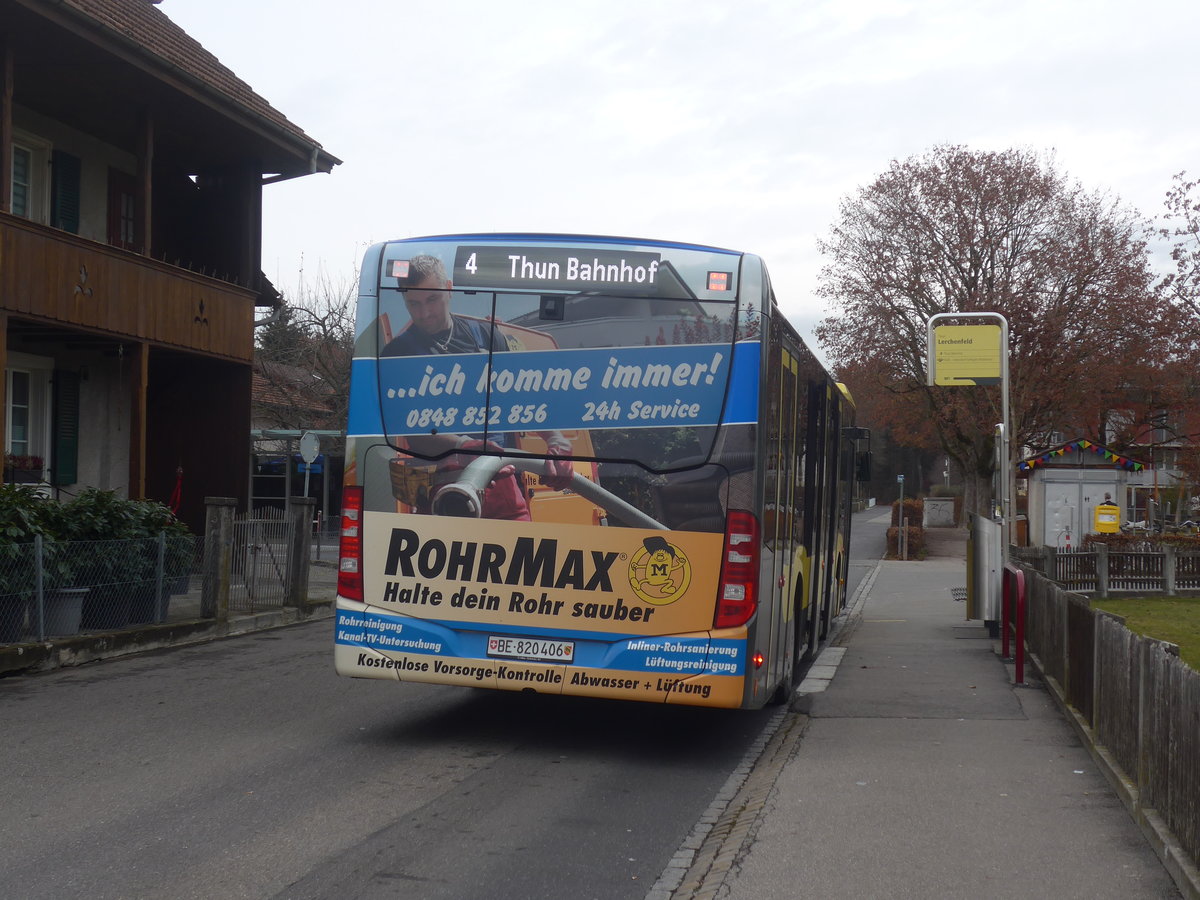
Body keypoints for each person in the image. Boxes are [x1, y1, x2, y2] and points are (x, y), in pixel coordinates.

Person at [383, 254, 573, 519]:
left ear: (448, 289)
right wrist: (464, 445)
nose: (424, 313)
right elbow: (414, 433)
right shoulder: (398, 354)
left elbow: (521, 400)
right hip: (441, 497)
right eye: (413, 304)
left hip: (505, 492)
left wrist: (557, 439)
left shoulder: (487, 336)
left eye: (432, 299)